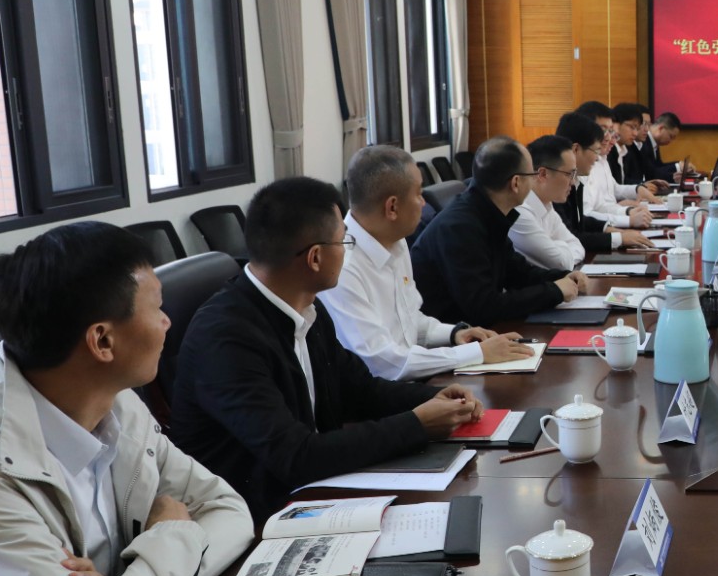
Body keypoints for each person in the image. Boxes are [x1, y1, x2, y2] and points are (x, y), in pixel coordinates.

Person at [0, 223, 251, 576]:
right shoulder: (2, 466)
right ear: (102, 341)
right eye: (156, 308)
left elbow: (230, 511)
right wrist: (170, 535)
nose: (168, 321)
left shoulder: (118, 403)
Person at [174, 178, 484, 519]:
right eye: (344, 241)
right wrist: (416, 424)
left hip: (310, 490)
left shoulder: (307, 307)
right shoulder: (225, 338)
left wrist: (433, 398)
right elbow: (295, 455)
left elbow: (360, 391)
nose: (347, 251)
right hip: (253, 518)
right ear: (316, 258)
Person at [320, 145, 536, 381]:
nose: (423, 203)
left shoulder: (396, 242)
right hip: (379, 392)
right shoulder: (344, 267)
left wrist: (455, 333)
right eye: (418, 194)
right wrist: (476, 353)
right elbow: (381, 362)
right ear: (392, 207)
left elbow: (410, 320)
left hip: (410, 380)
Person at [411, 136, 587, 326]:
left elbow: (516, 272)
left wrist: (561, 277)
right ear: (516, 183)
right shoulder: (460, 227)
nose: (535, 181)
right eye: (532, 175)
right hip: (451, 336)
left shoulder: (488, 212)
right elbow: (484, 305)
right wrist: (554, 291)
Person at [554, 112, 653, 255]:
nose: (597, 158)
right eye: (595, 150)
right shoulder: (557, 184)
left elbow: (580, 221)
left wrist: (610, 229)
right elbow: (571, 236)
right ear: (576, 149)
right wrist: (619, 235)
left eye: (611, 131)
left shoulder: (577, 177)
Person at [509, 134, 595, 271]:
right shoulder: (519, 212)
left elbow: (577, 246)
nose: (573, 182)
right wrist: (561, 246)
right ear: (543, 174)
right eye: (569, 174)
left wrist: (556, 246)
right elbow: (561, 264)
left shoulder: (547, 205)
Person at [577, 102, 658, 223]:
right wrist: (626, 217)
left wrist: (637, 191)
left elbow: (611, 191)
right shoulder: (580, 165)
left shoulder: (602, 158)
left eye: (611, 132)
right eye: (603, 130)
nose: (609, 138)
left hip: (608, 221)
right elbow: (586, 214)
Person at [639, 110, 686, 181]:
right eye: (671, 136)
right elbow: (651, 173)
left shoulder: (654, 142)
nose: (671, 141)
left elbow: (659, 166)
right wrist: (677, 166)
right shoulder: (643, 142)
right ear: (661, 129)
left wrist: (678, 164)